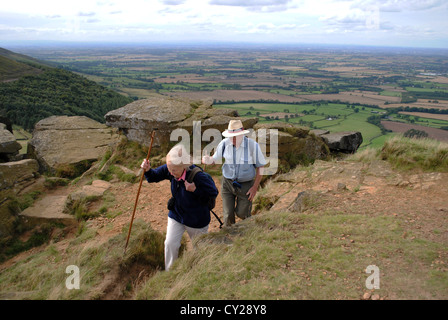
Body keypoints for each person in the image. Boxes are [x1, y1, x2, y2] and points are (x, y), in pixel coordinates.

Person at [141, 144, 218, 271]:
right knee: (170, 243)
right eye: (169, 169)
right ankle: (170, 273)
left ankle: (200, 272)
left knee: (200, 248)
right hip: (177, 215)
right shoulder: (171, 168)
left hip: (197, 220)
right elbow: (153, 176)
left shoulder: (198, 176)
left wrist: (195, 190)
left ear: (184, 166)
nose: (170, 173)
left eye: (174, 170)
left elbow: (213, 193)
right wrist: (148, 170)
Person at [202, 119, 266, 227]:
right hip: (227, 183)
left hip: (246, 185)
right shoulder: (224, 144)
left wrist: (255, 187)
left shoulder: (252, 146)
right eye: (231, 136)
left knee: (242, 214)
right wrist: (207, 160)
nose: (233, 139)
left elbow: (261, 167)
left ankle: (248, 233)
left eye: (236, 136)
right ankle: (230, 237)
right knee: (228, 215)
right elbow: (214, 159)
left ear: (242, 133)